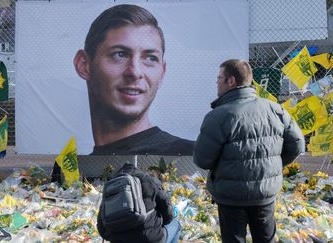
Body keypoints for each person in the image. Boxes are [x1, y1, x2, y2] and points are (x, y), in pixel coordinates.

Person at [51, 4, 193, 182]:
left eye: (150, 58)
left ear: (162, 72)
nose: (135, 72)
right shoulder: (72, 171)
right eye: (120, 54)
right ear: (84, 65)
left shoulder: (191, 159)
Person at [193, 59, 305, 243]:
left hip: (231, 197)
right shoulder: (275, 109)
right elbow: (297, 145)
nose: (216, 82)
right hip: (265, 195)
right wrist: (271, 165)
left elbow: (203, 159)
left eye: (219, 78)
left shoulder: (218, 116)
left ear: (231, 81)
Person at [97, 162, 181, 243]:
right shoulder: (151, 181)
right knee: (176, 224)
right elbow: (169, 216)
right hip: (151, 239)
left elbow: (102, 230)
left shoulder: (109, 190)